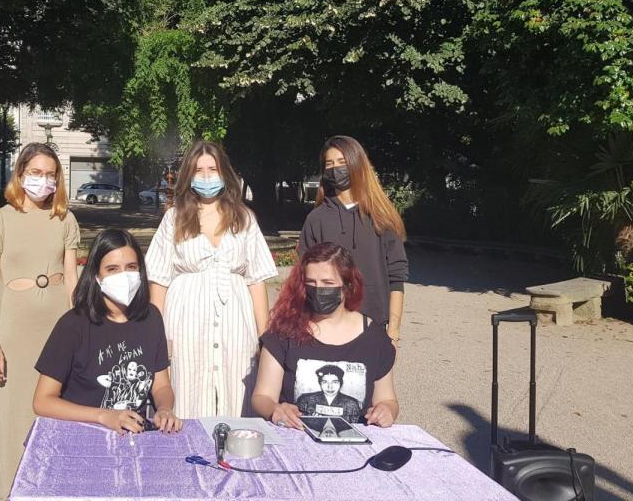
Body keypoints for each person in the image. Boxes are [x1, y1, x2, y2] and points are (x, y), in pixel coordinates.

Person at [0, 142, 80, 497]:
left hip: (58, 323)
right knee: (16, 412)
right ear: (20, 174)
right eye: (36, 172)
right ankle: (16, 490)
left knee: (61, 407)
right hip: (16, 328)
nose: (43, 180)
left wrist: (81, 330)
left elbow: (73, 280)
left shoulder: (65, 219)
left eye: (50, 174)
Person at [146, 140, 278, 418]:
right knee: (187, 389)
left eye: (212, 169)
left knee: (238, 389)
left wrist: (264, 336)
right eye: (199, 170)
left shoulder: (244, 218)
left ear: (224, 173)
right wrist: (157, 335)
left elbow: (256, 280)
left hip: (236, 322)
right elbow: (158, 281)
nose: (206, 176)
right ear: (189, 175)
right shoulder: (174, 219)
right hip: (186, 323)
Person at [33, 229, 183, 435]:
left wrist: (164, 409)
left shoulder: (151, 318)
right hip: (81, 434)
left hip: (133, 435)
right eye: (112, 269)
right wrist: (103, 416)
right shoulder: (73, 325)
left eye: (131, 267)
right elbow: (42, 401)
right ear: (96, 275)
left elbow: (161, 385)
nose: (124, 276)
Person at [252, 242, 399, 428]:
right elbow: (262, 396)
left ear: (348, 285)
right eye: (311, 283)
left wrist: (386, 411)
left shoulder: (375, 339)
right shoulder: (284, 332)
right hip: (295, 434)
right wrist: (275, 409)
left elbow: (388, 400)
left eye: (328, 283)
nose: (318, 290)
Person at [299, 135, 408, 347]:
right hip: (326, 325)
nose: (335, 169)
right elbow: (304, 277)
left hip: (374, 326)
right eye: (329, 164)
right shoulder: (316, 219)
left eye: (342, 162)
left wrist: (393, 332)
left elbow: (396, 277)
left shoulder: (382, 217)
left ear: (357, 164)